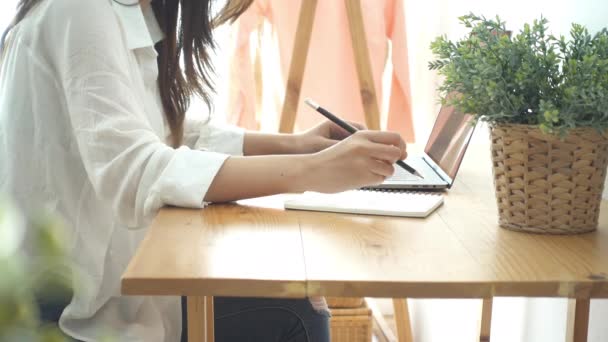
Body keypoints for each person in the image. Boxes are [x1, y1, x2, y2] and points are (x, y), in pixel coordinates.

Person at [0, 0, 407, 341]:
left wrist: (295, 145)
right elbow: (136, 168)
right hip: (73, 310)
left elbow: (163, 131)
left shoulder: (117, 11)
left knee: (298, 300)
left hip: (104, 285)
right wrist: (311, 171)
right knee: (298, 313)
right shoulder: (81, 10)